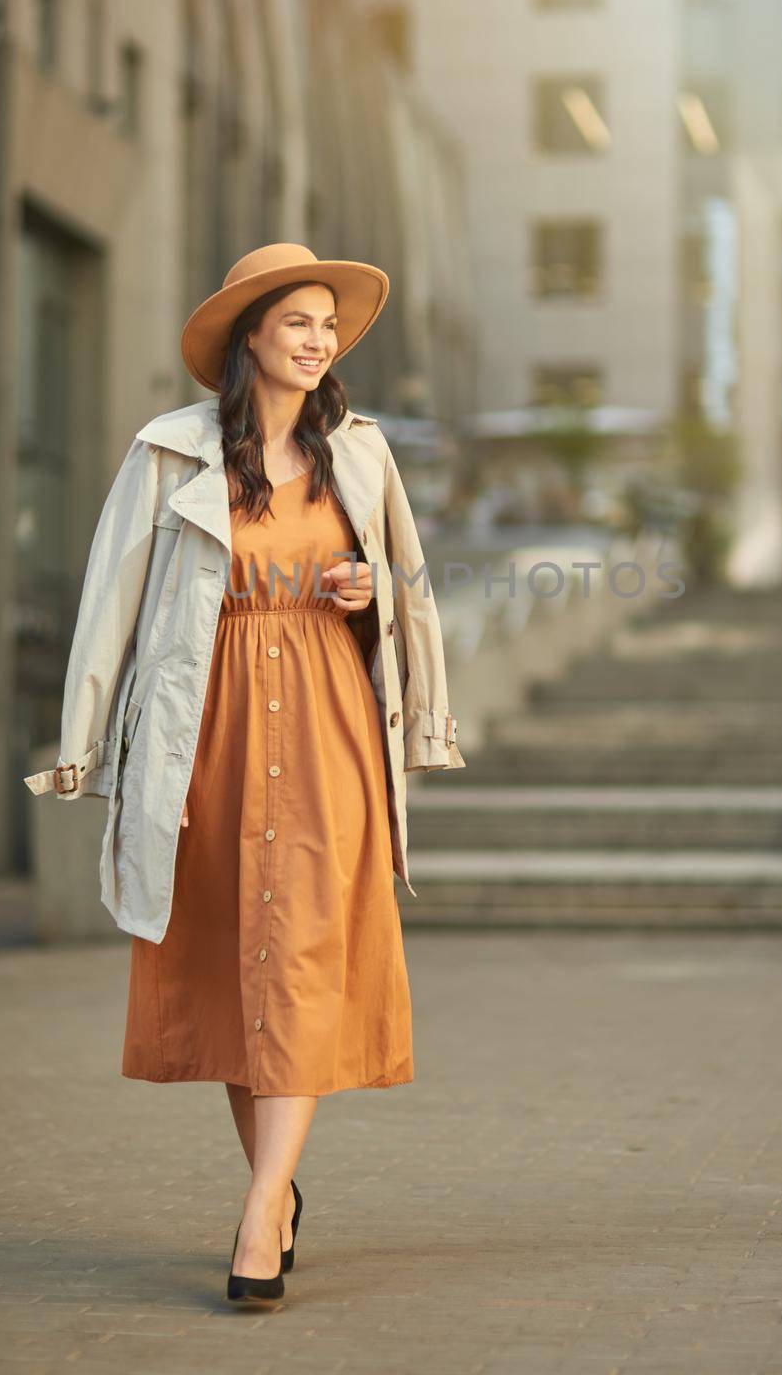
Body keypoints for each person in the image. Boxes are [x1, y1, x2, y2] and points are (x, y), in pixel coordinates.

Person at [23, 242, 466, 1306]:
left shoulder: (362, 455)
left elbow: (412, 590)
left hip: (328, 725)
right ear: (249, 337)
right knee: (236, 965)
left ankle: (264, 1206)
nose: (318, 340)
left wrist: (369, 592)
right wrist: (82, 747)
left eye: (328, 324)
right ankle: (275, 1185)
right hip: (205, 724)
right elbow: (108, 606)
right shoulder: (169, 456)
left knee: (304, 952)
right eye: (296, 322)